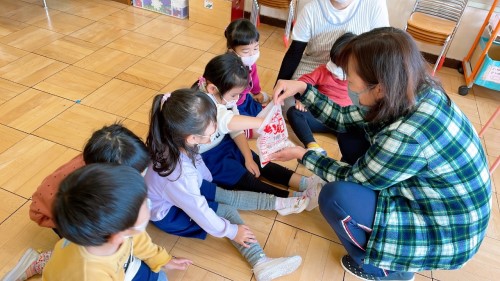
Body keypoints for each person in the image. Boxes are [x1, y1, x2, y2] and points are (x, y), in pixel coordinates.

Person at [271, 27, 492, 280]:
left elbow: (353, 177)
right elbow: (344, 118)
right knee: (351, 134)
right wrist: (303, 88)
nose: (348, 87)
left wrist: (302, 154)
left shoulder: (405, 135)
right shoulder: (410, 90)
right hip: (440, 199)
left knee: (335, 197)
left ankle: (388, 271)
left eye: (351, 82)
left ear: (379, 88)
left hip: (447, 230)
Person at [144, 89, 304, 281]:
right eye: (209, 135)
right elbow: (200, 211)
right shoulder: (178, 176)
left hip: (186, 189)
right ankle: (260, 263)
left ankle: (280, 203)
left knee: (225, 195)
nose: (212, 139)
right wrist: (233, 231)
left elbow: (198, 164)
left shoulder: (175, 140)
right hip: (169, 214)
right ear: (192, 138)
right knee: (227, 211)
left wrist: (211, 186)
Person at [1, 124, 151, 281]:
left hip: (64, 207)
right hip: (56, 215)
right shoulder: (90, 195)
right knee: (86, 252)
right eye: (136, 174)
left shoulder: (102, 156)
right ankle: (44, 261)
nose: (140, 178)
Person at [194, 52, 324, 203]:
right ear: (212, 89)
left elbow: (236, 131)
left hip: (224, 143)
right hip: (206, 158)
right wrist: (264, 122)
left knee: (259, 162)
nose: (237, 99)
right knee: (244, 178)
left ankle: (304, 183)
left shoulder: (225, 98)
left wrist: (249, 158)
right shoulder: (200, 105)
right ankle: (288, 198)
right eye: (234, 95)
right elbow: (227, 121)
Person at [42, 164, 192, 280]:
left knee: (161, 277)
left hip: (119, 267)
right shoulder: (90, 274)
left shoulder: (118, 227)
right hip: (91, 273)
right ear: (117, 237)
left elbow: (139, 240)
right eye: (144, 203)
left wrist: (162, 260)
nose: (148, 202)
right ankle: (44, 264)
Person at [287, 32, 356, 156]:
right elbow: (304, 81)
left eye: (340, 67)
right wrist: (300, 98)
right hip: (320, 116)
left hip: (343, 121)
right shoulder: (324, 70)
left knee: (357, 135)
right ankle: (312, 146)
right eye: (334, 63)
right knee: (293, 112)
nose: (335, 71)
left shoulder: (357, 79)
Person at [225, 18, 269, 139]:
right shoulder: (228, 69)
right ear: (232, 51)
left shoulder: (250, 63)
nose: (252, 54)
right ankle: (243, 132)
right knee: (242, 125)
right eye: (246, 51)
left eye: (256, 48)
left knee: (260, 111)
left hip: (245, 100)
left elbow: (254, 78)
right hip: (232, 105)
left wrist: (257, 92)